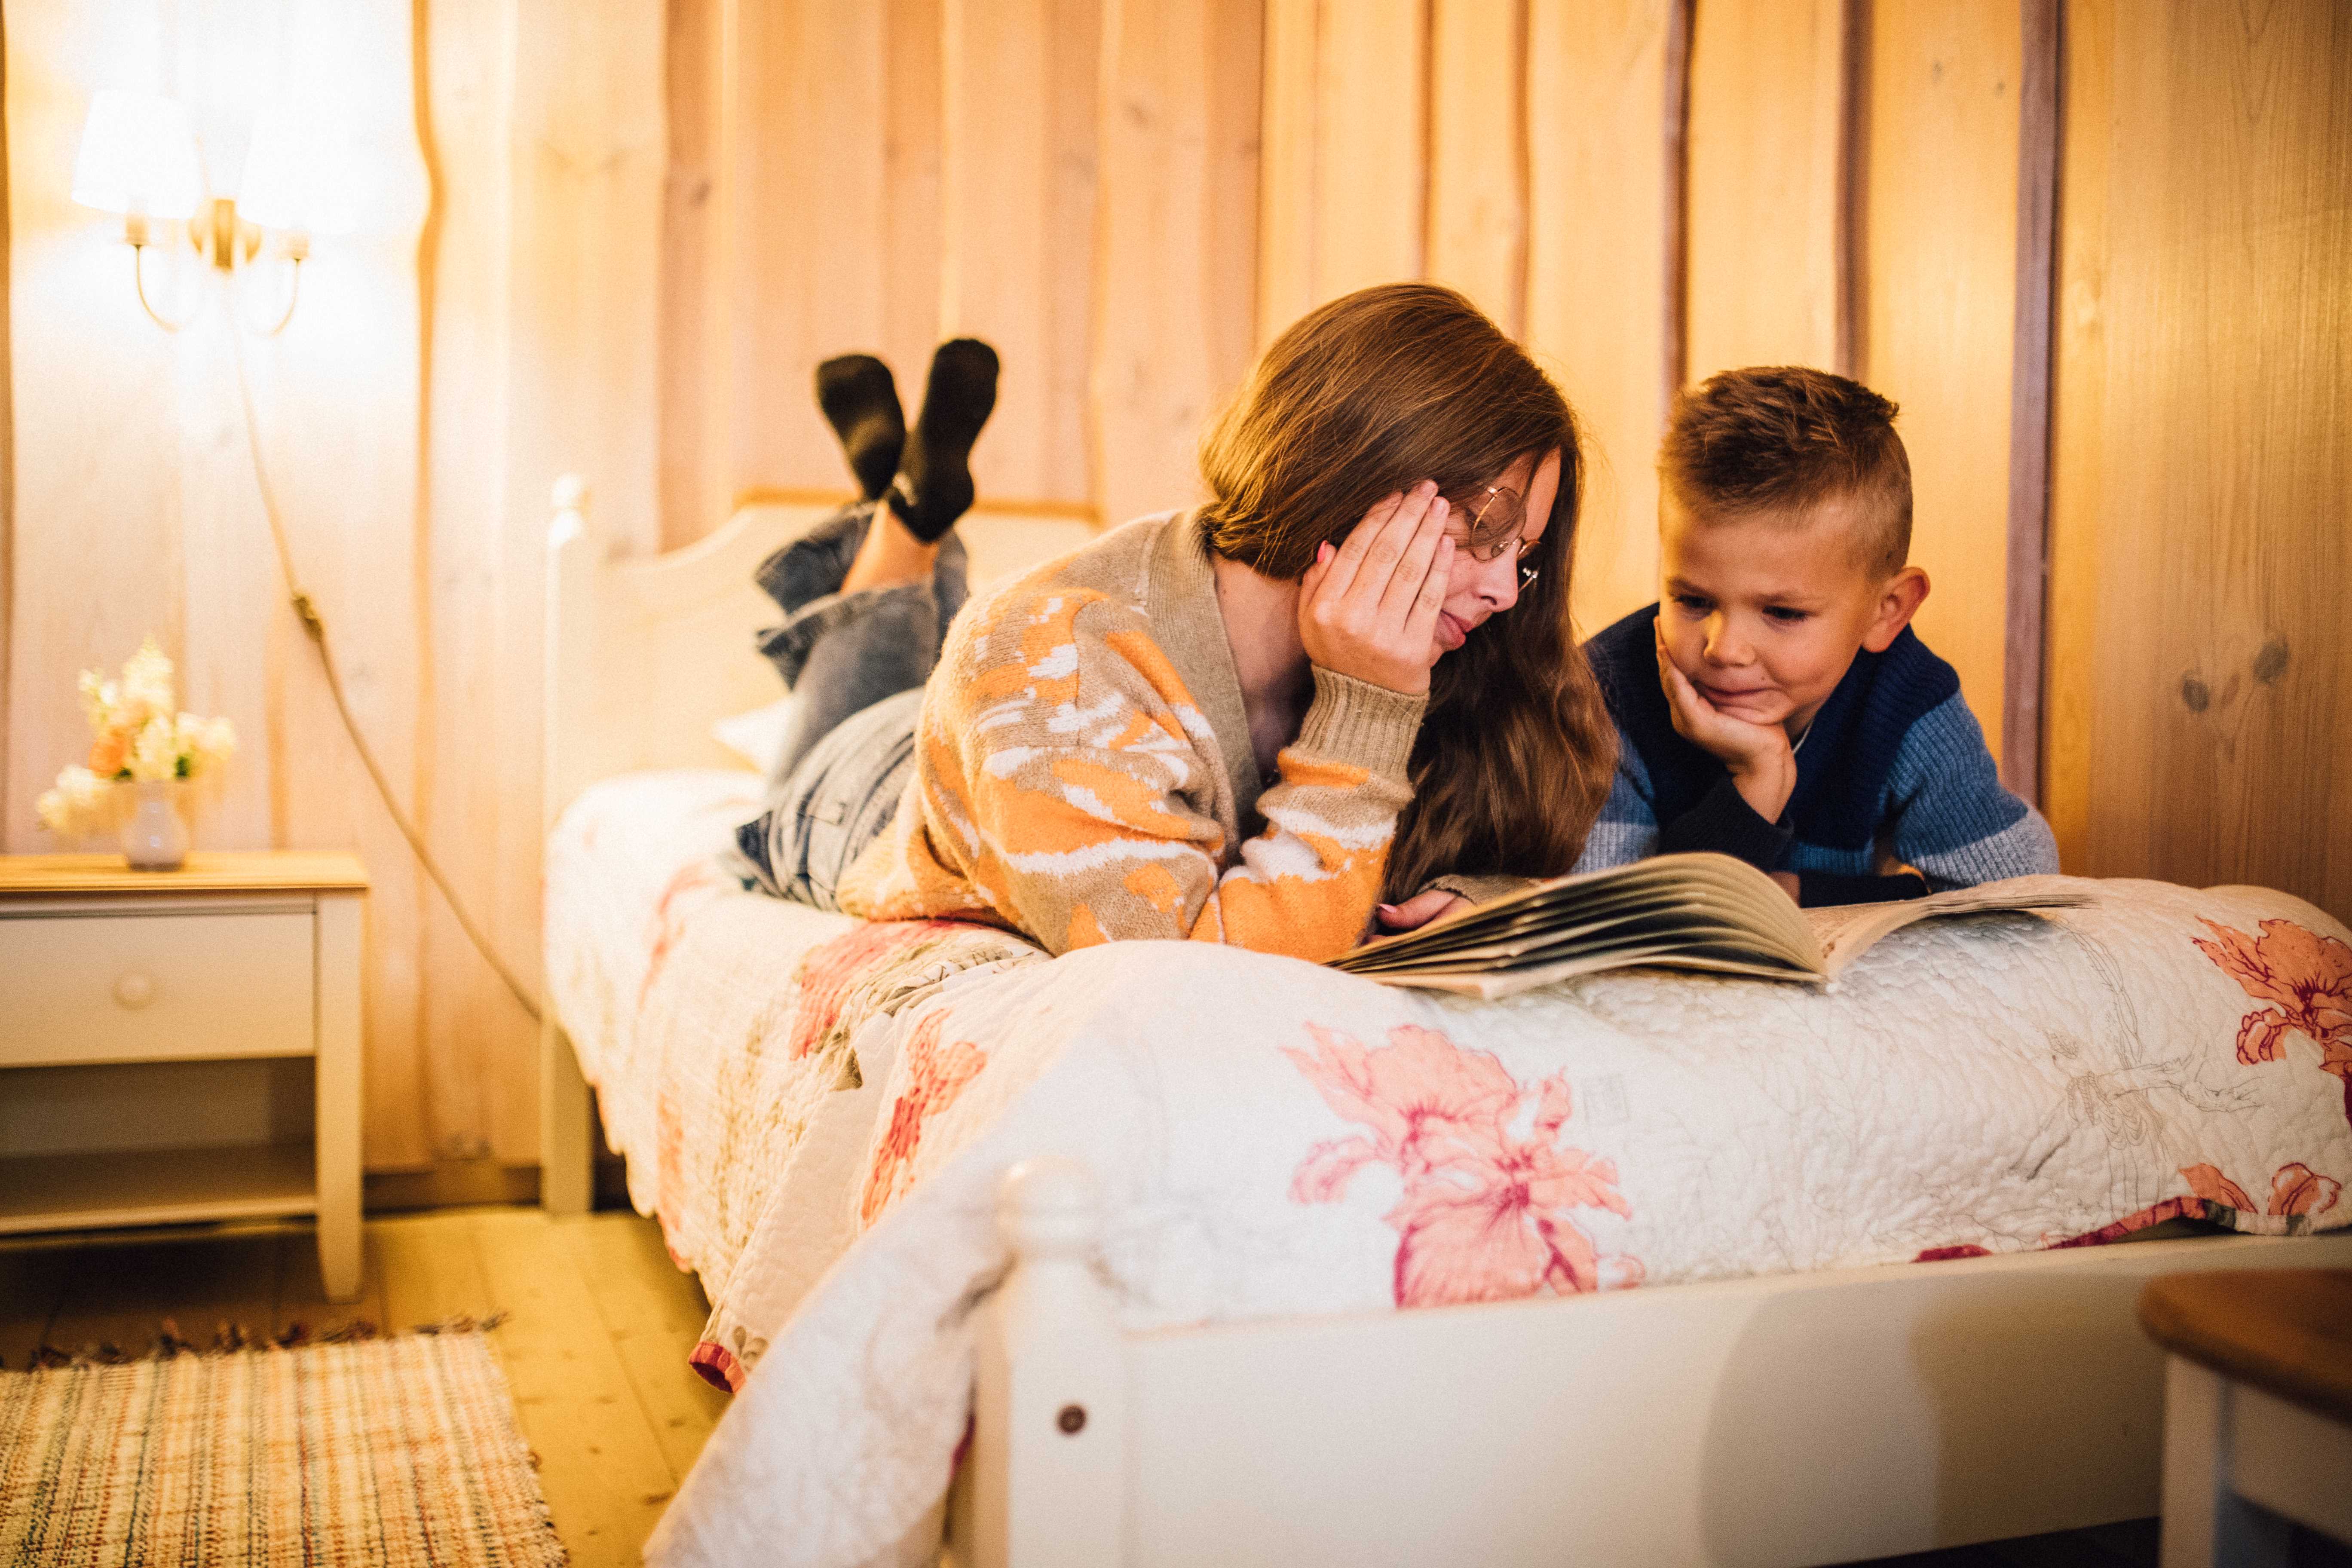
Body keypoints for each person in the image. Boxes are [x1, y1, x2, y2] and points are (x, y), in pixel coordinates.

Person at [738, 282, 1618, 962]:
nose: (1506, 590)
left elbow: (1505, 852)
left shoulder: (1449, 659)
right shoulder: (1043, 657)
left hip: (1041, 754)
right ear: (1356, 469)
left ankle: (905, 507)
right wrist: (1365, 717)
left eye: (1522, 553)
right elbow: (1191, 983)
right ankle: (904, 520)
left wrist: (1486, 898)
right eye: (1483, 529)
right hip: (869, 797)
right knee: (842, 724)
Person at [1578, 365, 2058, 905]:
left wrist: (1800, 892)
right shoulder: (1606, 694)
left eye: (1782, 613)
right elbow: (1606, 914)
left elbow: (2023, 883)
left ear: (1887, 612)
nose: (1725, 649)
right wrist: (1758, 780)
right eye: (1693, 601)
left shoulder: (1906, 699)